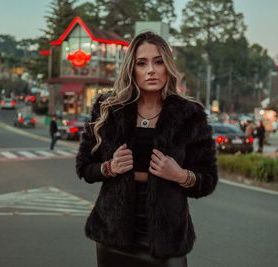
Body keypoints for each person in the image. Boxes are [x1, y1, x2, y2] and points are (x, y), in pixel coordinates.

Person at [76, 31, 218, 267]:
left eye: (158, 61)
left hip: (167, 238)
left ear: (168, 67)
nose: (151, 69)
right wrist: (110, 167)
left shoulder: (190, 115)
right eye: (142, 63)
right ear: (132, 69)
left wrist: (180, 175)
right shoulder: (108, 108)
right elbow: (84, 167)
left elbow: (208, 180)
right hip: (114, 235)